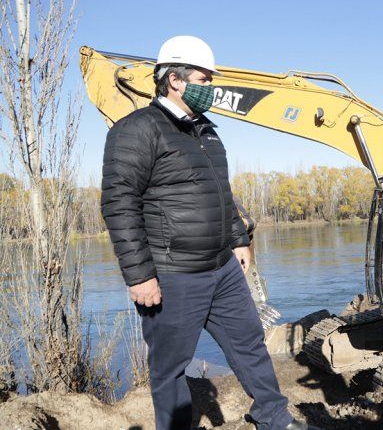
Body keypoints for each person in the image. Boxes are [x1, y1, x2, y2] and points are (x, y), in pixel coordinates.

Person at [101, 36, 317, 430]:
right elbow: (119, 203)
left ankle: (276, 420)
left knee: (250, 347)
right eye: (204, 77)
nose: (211, 86)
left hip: (222, 269)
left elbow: (221, 192)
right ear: (175, 80)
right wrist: (140, 275)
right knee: (170, 368)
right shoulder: (138, 129)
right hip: (173, 275)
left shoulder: (207, 132)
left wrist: (238, 238)